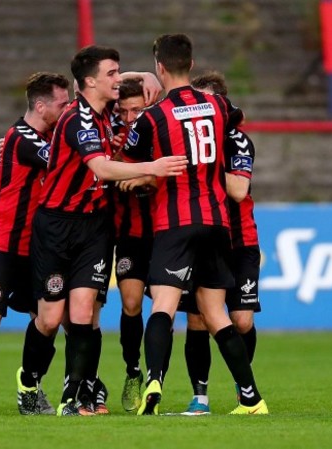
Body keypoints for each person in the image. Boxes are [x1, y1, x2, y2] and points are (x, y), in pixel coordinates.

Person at [17, 45, 188, 417]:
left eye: (118, 72)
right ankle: (28, 383)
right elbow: (101, 168)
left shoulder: (106, 109)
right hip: (57, 224)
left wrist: (138, 75)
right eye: (111, 74)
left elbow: (149, 80)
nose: (118, 79)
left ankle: (75, 397)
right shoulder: (77, 120)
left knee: (83, 312)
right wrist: (154, 168)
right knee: (48, 319)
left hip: (94, 227)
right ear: (90, 82)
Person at [122, 33, 268, 415]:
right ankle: (251, 398)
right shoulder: (218, 105)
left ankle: (154, 379)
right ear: (192, 62)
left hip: (175, 220)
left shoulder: (154, 116)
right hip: (217, 222)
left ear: (159, 67)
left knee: (164, 307)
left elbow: (135, 160)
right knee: (216, 313)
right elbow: (236, 122)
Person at [0, 72, 71, 417]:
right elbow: (65, 163)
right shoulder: (20, 137)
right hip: (3, 240)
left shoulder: (51, 134)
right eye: (62, 104)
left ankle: (30, 387)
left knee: (49, 320)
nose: (67, 110)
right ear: (40, 106)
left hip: (37, 244)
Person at [180, 71, 263, 415]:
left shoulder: (237, 141)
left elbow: (239, 190)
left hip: (240, 241)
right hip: (202, 238)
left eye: (203, 102)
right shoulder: (188, 140)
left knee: (241, 320)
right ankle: (200, 397)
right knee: (198, 320)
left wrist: (203, 165)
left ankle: (242, 386)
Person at [110, 78, 154, 412]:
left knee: (190, 311)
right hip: (129, 234)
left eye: (136, 109)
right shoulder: (110, 138)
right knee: (130, 303)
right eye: (123, 110)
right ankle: (133, 370)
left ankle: (168, 380)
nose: (128, 116)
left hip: (167, 232)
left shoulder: (159, 129)